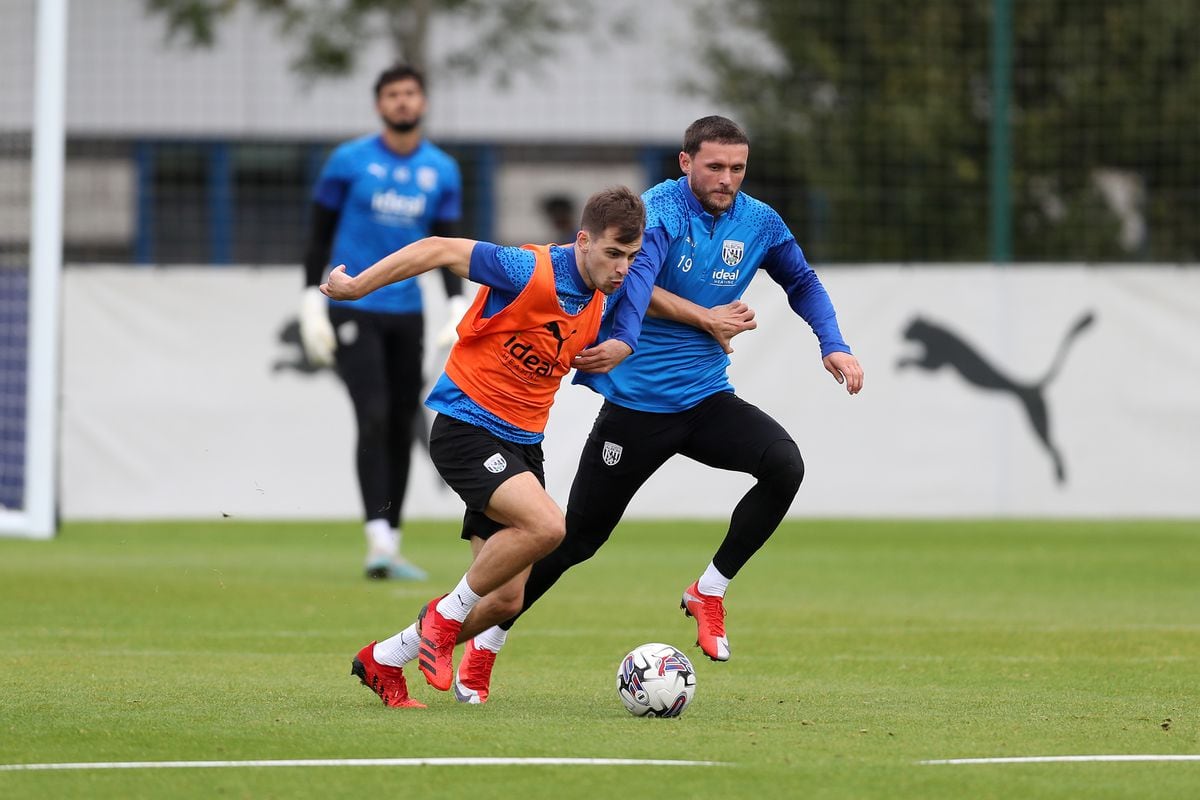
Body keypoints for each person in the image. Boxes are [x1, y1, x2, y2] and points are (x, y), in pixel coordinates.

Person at [450, 115, 864, 704]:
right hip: (636, 410)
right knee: (573, 541)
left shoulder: (759, 221)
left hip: (705, 399)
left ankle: (709, 591)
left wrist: (835, 344)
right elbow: (632, 283)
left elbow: (802, 282)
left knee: (783, 464)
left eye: (737, 168)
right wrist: (695, 320)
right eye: (715, 166)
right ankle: (484, 646)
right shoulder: (657, 213)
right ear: (685, 162)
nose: (727, 179)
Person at [322, 186, 649, 708]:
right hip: (466, 427)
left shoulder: (605, 294)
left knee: (506, 599)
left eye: (631, 257)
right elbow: (437, 248)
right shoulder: (528, 269)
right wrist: (357, 287)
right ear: (583, 240)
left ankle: (383, 659)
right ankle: (443, 615)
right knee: (548, 527)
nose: (622, 268)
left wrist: (646, 337)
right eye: (613, 253)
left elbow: (648, 299)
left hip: (523, 443)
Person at [300, 63, 470, 581]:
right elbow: (318, 234)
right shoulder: (347, 162)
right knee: (371, 412)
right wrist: (310, 299)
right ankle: (376, 539)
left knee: (401, 419)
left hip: (407, 313)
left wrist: (456, 301)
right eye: (393, 94)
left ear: (422, 103)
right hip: (351, 306)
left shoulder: (441, 170)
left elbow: (445, 243)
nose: (402, 102)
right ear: (379, 104)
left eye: (410, 94)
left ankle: (389, 543)